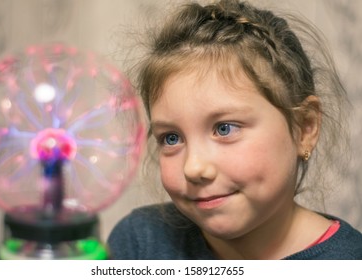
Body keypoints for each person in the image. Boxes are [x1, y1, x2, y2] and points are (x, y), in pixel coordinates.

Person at [107, 0, 362, 259]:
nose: (193, 168)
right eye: (171, 138)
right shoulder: (139, 242)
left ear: (304, 128)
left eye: (224, 128)